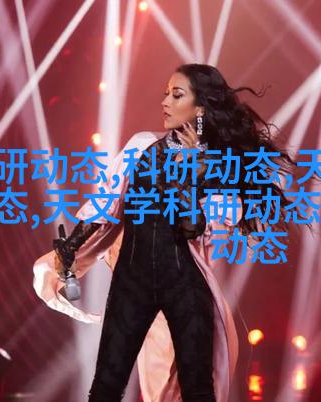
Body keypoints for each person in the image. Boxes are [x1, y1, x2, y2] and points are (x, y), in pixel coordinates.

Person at [32, 63, 306, 402]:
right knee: (104, 389)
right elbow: (106, 204)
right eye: (165, 94)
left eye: (176, 95)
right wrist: (71, 246)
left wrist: (190, 170)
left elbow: (193, 227)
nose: (164, 102)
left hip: (185, 285)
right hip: (131, 283)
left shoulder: (219, 167)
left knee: (197, 391)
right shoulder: (141, 146)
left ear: (200, 108)